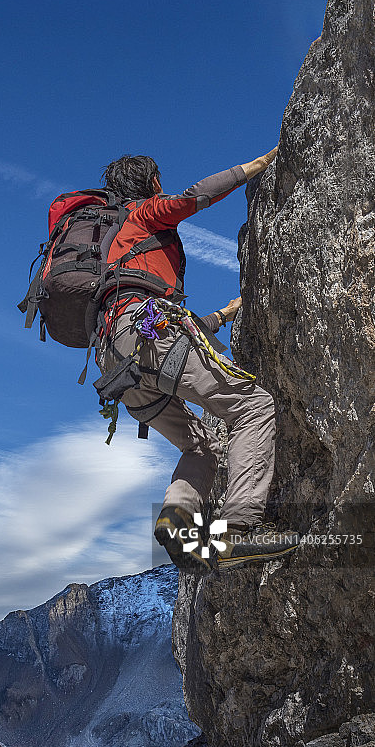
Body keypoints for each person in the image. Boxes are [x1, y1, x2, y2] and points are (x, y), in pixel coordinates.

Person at [96, 151, 300, 572]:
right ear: (151, 182)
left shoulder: (113, 253)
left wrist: (224, 315)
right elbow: (191, 198)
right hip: (147, 334)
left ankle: (176, 522)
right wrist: (255, 167)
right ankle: (237, 532)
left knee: (201, 445)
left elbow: (168, 330)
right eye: (158, 179)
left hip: (117, 365)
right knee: (253, 407)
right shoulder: (142, 216)